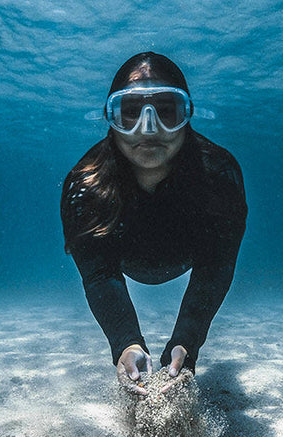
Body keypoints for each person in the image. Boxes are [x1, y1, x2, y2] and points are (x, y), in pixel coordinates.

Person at [61, 52, 247, 394]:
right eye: (130, 112)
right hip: (125, 256)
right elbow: (100, 273)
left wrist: (186, 344)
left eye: (166, 110)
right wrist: (125, 344)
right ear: (110, 118)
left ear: (187, 114)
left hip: (189, 251)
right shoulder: (84, 187)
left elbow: (215, 266)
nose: (148, 128)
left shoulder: (220, 177)